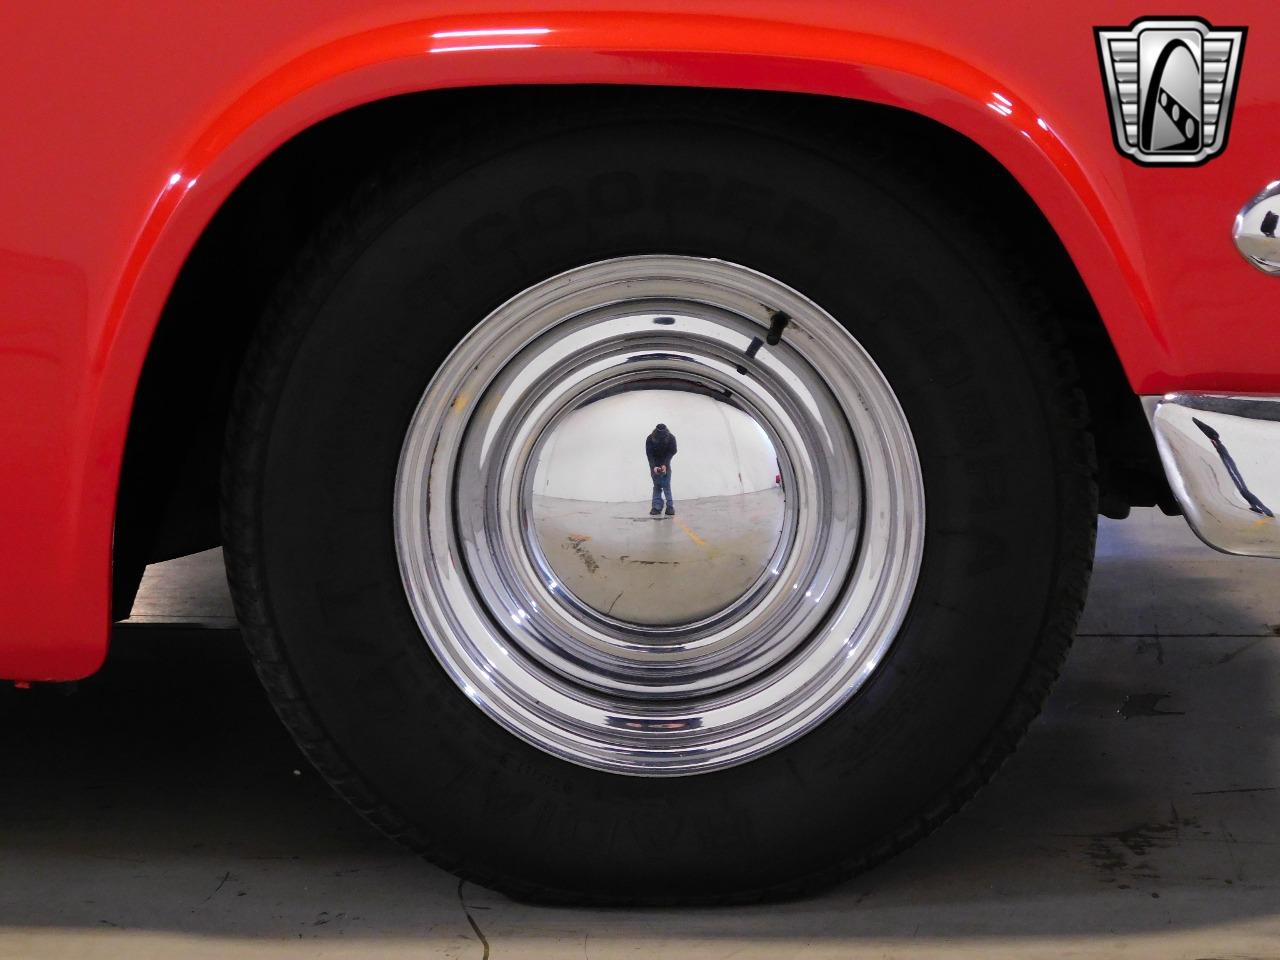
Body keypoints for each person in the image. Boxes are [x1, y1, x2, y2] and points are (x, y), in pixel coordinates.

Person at [645, 422, 677, 516]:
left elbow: (673, 451)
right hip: (654, 465)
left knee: (666, 485)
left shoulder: (671, 438)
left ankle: (670, 507)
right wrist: (654, 466)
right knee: (657, 486)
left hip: (666, 464)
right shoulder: (650, 439)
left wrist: (665, 464)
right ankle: (656, 507)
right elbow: (649, 454)